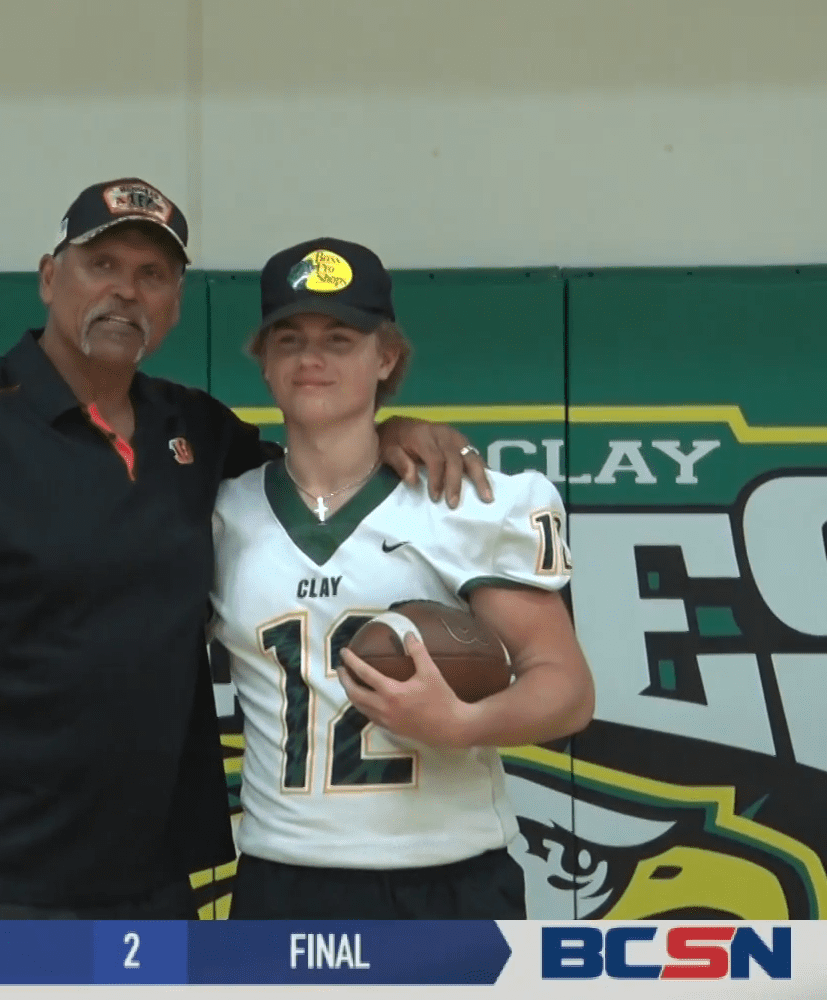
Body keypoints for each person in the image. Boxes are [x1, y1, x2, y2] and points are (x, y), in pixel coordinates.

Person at [0, 178, 492, 921]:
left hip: (157, 881)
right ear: (49, 277)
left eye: (152, 275)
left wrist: (397, 430)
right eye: (101, 266)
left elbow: (320, 466)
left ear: (175, 300)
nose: (126, 292)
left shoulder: (195, 430)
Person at [209, 236, 595, 920]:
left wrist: (461, 723)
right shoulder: (221, 514)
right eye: (289, 338)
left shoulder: (468, 502)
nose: (313, 357)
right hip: (284, 878)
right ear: (264, 362)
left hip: (448, 878)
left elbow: (565, 689)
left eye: (340, 337)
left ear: (385, 357)